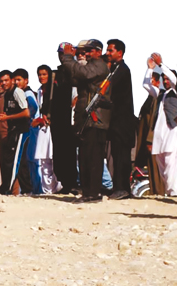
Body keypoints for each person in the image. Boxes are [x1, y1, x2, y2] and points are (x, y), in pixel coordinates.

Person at [59, 39, 110, 202]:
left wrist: (68, 58)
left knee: (93, 158)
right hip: (86, 120)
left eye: (89, 50)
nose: (86, 54)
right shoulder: (90, 66)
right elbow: (74, 78)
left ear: (98, 51)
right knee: (85, 158)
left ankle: (92, 193)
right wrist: (66, 61)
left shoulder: (99, 66)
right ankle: (88, 192)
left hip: (95, 120)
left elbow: (83, 73)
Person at [105, 39, 136, 199]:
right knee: (116, 155)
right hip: (116, 121)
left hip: (122, 122)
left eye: (110, 50)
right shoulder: (115, 69)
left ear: (120, 52)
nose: (107, 53)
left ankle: (122, 188)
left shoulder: (122, 70)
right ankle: (119, 187)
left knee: (121, 156)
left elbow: (108, 87)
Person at [143, 54, 177, 195]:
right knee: (161, 163)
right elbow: (146, 85)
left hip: (172, 131)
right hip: (159, 133)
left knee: (171, 163)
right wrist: (150, 69)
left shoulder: (175, 93)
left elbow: (175, 80)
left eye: (167, 78)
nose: (166, 80)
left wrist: (161, 65)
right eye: (164, 78)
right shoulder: (161, 94)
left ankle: (173, 192)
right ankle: (169, 191)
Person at [0, 69, 32, 194]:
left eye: (6, 80)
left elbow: (26, 112)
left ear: (11, 80)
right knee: (19, 162)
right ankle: (27, 189)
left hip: (21, 131)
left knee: (14, 160)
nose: (4, 83)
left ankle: (6, 189)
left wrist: (7, 118)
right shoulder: (7, 94)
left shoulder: (17, 92)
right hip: (13, 131)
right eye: (1, 81)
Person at [50, 43, 78, 195]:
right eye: (60, 53)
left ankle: (73, 183)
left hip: (70, 119)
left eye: (64, 53)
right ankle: (65, 183)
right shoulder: (57, 73)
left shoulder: (74, 70)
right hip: (58, 118)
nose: (62, 56)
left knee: (69, 153)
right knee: (59, 153)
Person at [32, 65, 61, 194]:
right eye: (39, 74)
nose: (41, 77)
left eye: (44, 74)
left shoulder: (55, 90)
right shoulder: (39, 91)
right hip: (42, 128)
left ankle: (57, 187)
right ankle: (47, 190)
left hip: (53, 127)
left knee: (54, 158)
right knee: (44, 161)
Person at [13, 68, 41, 194]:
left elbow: (32, 108)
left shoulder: (28, 94)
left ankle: (29, 189)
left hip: (29, 131)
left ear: (26, 81)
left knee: (25, 160)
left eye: (19, 80)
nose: (17, 83)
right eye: (15, 80)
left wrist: (28, 118)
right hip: (29, 131)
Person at [135, 71, 163, 195]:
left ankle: (160, 192)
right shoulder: (151, 98)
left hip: (154, 139)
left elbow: (155, 120)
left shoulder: (160, 98)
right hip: (146, 138)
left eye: (153, 80)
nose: (151, 82)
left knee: (157, 168)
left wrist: (150, 139)